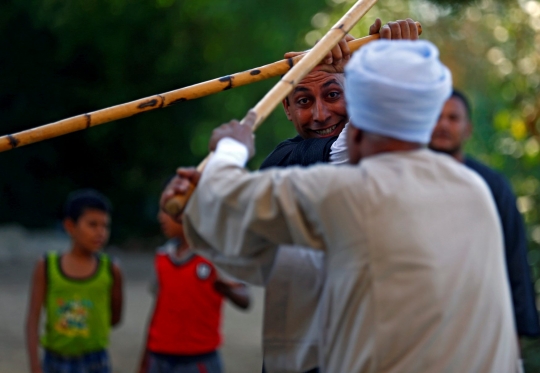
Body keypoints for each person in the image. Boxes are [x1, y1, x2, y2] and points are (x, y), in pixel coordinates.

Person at [162, 40, 519, 372]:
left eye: (335, 96)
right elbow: (280, 256)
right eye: (304, 101)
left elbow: (230, 203)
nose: (320, 117)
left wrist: (231, 146)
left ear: (358, 132)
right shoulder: (471, 188)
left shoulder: (352, 193)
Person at [429, 89, 540, 338]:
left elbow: (513, 253)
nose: (443, 124)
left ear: (467, 128)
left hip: (483, 318)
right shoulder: (404, 180)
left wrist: (519, 329)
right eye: (436, 116)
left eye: (453, 118)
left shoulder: (492, 184)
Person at [137, 207, 251, 373]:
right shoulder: (162, 255)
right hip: (159, 356)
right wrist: (144, 360)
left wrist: (228, 290)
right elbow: (158, 309)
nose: (160, 217)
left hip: (199, 359)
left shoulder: (215, 255)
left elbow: (245, 298)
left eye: (167, 210)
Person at [26, 189, 123, 373]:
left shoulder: (111, 269)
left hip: (96, 361)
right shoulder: (47, 266)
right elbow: (33, 319)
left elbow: (115, 317)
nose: (100, 232)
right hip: (55, 360)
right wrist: (34, 365)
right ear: (70, 226)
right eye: (92, 224)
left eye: (105, 226)